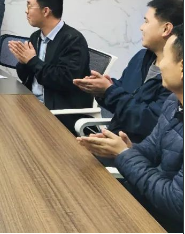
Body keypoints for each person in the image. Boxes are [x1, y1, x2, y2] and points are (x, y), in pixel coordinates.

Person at [77, 24, 183, 233]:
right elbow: (151, 148)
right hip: (144, 201)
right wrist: (125, 148)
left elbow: (177, 202)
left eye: (166, 56)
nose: (160, 64)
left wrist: (124, 154)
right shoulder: (173, 102)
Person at [74, 0, 183, 143]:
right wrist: (104, 88)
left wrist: (109, 91)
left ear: (166, 29)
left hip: (136, 147)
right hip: (114, 136)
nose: (141, 27)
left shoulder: (175, 78)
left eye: (146, 21)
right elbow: (124, 90)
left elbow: (149, 122)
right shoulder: (141, 57)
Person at [9, 0, 91, 131]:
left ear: (45, 11)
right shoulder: (36, 37)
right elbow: (27, 78)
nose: (26, 11)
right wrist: (23, 62)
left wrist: (32, 61)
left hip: (58, 113)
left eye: (29, 6)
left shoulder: (73, 40)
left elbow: (65, 80)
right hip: (32, 104)